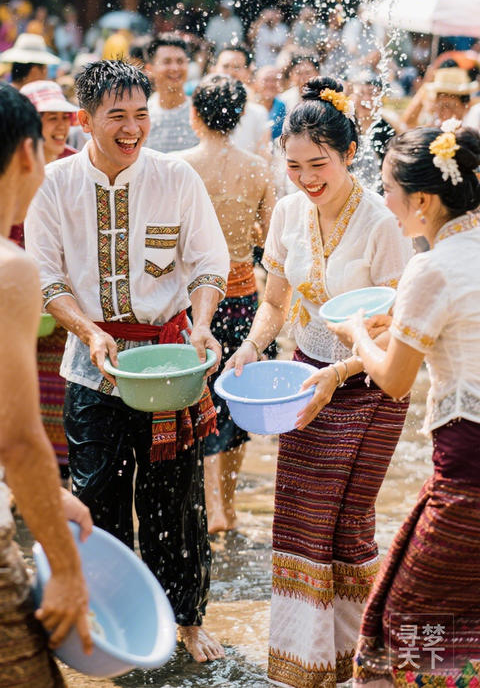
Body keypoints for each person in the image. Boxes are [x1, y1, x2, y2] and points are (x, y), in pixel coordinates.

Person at [24, 59, 229, 663]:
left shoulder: (176, 178)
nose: (133, 128)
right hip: (92, 367)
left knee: (177, 497)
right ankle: (115, 622)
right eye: (118, 116)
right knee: (95, 498)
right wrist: (87, 330)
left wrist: (204, 324)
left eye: (142, 114)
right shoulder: (53, 184)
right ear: (85, 120)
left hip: (169, 364)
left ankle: (187, 619)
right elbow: (45, 275)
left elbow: (209, 262)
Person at [226, 76, 413, 688]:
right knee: (300, 518)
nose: (307, 178)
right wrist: (249, 350)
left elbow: (400, 333)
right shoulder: (286, 212)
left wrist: (339, 373)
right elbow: (275, 303)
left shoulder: (383, 225)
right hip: (307, 380)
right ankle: (305, 666)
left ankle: (364, 660)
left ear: (349, 154)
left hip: (372, 385)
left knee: (348, 522)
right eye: (294, 165)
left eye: (319, 164)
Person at [328, 123, 480, 687]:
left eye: (389, 189)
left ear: (422, 199)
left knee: (401, 624)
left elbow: (393, 380)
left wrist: (357, 337)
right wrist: (397, 322)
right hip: (464, 468)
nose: (384, 202)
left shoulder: (430, 266)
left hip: (467, 471)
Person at [0, 79, 92, 687]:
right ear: (25, 154)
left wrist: (32, 498)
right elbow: (18, 440)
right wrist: (65, 569)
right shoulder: (3, 266)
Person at [179, 73, 276, 534]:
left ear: (195, 115)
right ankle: (228, 507)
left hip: (192, 300)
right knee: (236, 397)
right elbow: (270, 239)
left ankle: (203, 505)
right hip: (240, 295)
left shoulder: (179, 165)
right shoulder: (258, 168)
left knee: (192, 399)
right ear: (238, 117)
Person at [11, 80, 79, 476]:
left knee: (62, 393)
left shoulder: (77, 166)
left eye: (61, 117)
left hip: (66, 306)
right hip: (18, 304)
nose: (56, 126)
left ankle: (58, 482)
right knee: (19, 394)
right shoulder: (11, 169)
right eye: (46, 118)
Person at [213, 46, 271, 157]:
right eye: (225, 66)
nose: (230, 72)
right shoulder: (204, 109)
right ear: (215, 69)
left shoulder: (258, 113)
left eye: (237, 67)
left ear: (248, 72)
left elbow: (264, 156)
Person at [145, 37, 199, 152]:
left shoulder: (200, 114)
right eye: (167, 62)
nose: (175, 68)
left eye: (180, 61)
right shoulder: (143, 114)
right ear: (150, 69)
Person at [253, 65, 287, 140]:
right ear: (256, 82)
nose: (270, 84)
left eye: (275, 80)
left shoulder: (284, 107)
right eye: (266, 80)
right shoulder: (249, 107)